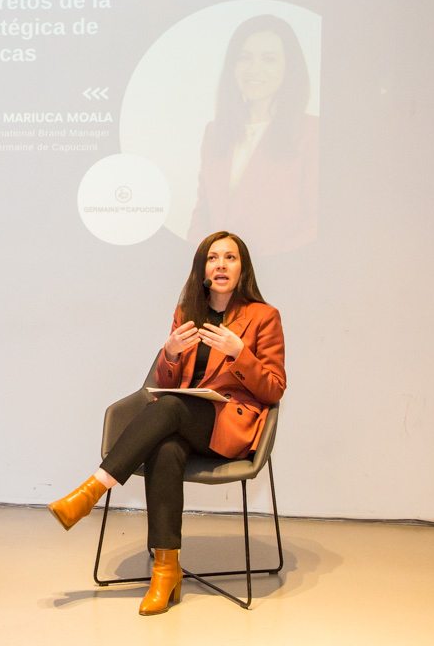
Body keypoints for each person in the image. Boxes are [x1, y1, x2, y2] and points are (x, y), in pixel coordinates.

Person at [48, 231, 285, 615]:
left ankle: (93, 489)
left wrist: (240, 353)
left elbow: (274, 389)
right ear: (202, 269)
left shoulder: (264, 316)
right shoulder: (187, 312)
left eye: (230, 258)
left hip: (229, 426)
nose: (221, 265)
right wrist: (170, 353)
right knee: (165, 447)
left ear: (243, 268)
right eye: (212, 258)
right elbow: (164, 383)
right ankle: (165, 570)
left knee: (170, 408)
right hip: (185, 421)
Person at [187, 15, 319, 254]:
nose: (254, 69)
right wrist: (212, 260)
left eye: (269, 59)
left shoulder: (312, 132)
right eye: (244, 57)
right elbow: (202, 215)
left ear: (289, 67)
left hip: (283, 270)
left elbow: (316, 224)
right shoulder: (215, 131)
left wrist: (261, 266)